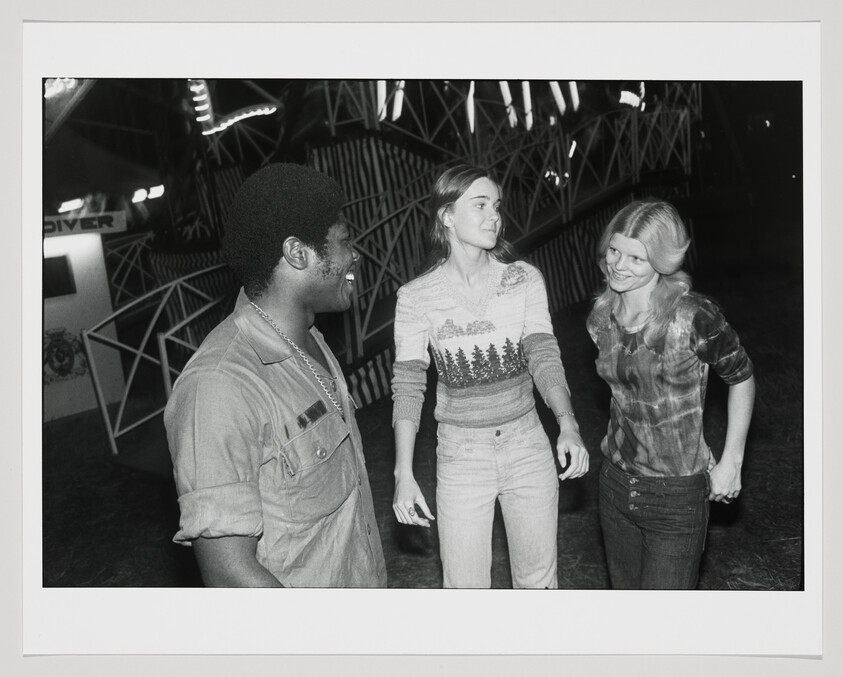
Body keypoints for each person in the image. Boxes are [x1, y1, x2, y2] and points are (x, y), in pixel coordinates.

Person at [164, 163, 387, 587]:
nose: (354, 254)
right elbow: (230, 573)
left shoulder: (312, 342)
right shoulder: (219, 386)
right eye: (343, 241)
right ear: (298, 253)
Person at [391, 164, 589, 589]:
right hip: (462, 457)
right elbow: (408, 385)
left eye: (496, 206)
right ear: (446, 215)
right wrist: (403, 474)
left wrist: (567, 424)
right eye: (479, 205)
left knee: (538, 584)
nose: (494, 216)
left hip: (527, 445)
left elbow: (543, 353)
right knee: (465, 593)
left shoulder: (522, 279)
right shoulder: (415, 297)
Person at [587, 199, 756, 589]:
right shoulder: (600, 319)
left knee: (664, 629)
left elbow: (742, 377)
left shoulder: (692, 316)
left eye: (635, 258)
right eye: (614, 251)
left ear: (662, 262)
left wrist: (731, 460)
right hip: (614, 483)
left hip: (675, 495)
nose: (617, 264)